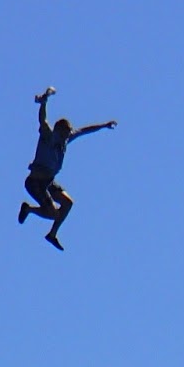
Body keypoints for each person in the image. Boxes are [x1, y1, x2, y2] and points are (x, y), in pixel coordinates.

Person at [18, 88, 117, 250]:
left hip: (49, 181)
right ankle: (29, 209)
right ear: (58, 131)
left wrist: (104, 125)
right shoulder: (48, 135)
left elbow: (84, 130)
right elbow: (42, 120)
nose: (66, 138)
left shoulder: (66, 138)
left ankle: (52, 234)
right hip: (35, 182)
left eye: (68, 135)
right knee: (53, 214)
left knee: (68, 203)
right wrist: (43, 103)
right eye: (64, 134)